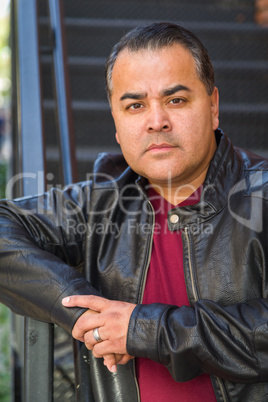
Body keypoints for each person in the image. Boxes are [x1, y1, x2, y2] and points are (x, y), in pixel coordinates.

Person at [0, 22, 268, 402]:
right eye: (135, 105)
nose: (156, 121)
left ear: (213, 107)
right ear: (116, 123)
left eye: (176, 100)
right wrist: (90, 318)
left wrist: (144, 330)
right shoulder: (98, 205)